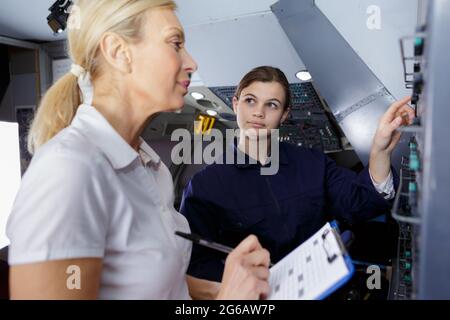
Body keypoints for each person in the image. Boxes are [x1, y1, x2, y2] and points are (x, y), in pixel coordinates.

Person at [6, 0, 271, 300]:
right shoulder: (68, 171)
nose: (192, 62)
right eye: (175, 43)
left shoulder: (146, 164)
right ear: (119, 52)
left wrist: (219, 290)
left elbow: (148, 280)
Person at [180, 66, 415, 282]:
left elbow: (359, 201)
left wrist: (379, 151)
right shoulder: (205, 186)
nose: (259, 113)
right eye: (250, 101)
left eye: (271, 105)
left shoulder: (312, 162)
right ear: (235, 104)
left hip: (320, 285)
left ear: (284, 114)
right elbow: (196, 265)